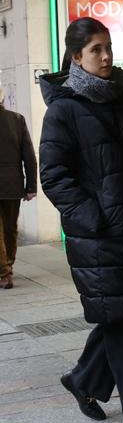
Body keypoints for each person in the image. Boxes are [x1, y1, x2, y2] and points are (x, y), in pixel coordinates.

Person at [40, 17, 123, 423]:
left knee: (121, 312)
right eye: (95, 49)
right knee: (120, 322)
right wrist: (93, 218)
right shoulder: (64, 109)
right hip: (96, 237)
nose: (106, 56)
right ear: (77, 57)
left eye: (108, 46)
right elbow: (54, 177)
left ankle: (83, 380)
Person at [0, 100, 36, 289]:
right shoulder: (16, 119)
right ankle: (8, 266)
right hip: (12, 184)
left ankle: (4, 272)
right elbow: (29, 155)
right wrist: (31, 186)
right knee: (10, 228)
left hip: (11, 184)